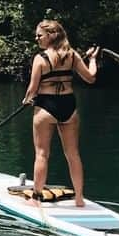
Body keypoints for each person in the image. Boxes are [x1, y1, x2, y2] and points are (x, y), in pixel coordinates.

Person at [22, 20, 99, 207]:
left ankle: (36, 198)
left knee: (41, 154)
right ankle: (79, 199)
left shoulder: (40, 58)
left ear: (51, 35)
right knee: (73, 154)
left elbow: (32, 89)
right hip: (68, 106)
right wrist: (93, 59)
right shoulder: (72, 55)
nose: (37, 38)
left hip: (46, 107)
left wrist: (26, 100)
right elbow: (90, 78)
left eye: (39, 35)